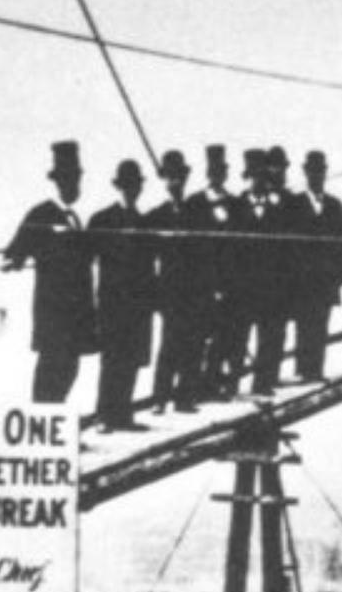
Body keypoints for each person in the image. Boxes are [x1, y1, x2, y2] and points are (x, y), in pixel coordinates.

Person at [4, 141, 96, 403]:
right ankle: (43, 423)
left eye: (77, 179)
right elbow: (14, 253)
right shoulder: (41, 214)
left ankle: (57, 423)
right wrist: (18, 257)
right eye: (69, 180)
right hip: (54, 312)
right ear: (59, 182)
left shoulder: (77, 219)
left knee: (70, 369)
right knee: (50, 371)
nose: (74, 186)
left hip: (78, 311)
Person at [90, 159, 156, 430]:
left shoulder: (144, 222)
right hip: (113, 303)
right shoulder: (102, 220)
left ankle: (124, 414)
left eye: (136, 185)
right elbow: (86, 256)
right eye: (128, 185)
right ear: (119, 187)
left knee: (131, 360)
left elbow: (151, 263)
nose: (133, 190)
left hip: (138, 304)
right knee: (112, 360)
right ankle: (105, 415)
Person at [231, 148, 297, 396]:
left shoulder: (278, 209)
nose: (258, 181)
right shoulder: (236, 207)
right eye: (253, 176)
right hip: (243, 288)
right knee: (237, 339)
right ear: (246, 178)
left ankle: (264, 383)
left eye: (262, 176)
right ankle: (232, 385)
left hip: (272, 287)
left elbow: (286, 251)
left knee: (271, 336)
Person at [290, 149, 342, 381]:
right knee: (303, 323)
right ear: (305, 173)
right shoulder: (295, 204)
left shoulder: (334, 206)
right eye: (312, 171)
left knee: (320, 323)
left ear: (324, 174)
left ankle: (315, 369)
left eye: (320, 171)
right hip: (302, 279)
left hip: (326, 278)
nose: (316, 176)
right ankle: (302, 370)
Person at [146, 150, 201, 413]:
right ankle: (160, 398)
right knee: (169, 344)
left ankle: (185, 398)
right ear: (165, 180)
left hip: (195, 289)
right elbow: (145, 255)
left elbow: (208, 253)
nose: (176, 182)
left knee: (192, 343)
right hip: (169, 290)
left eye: (179, 177)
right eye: (171, 178)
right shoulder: (156, 216)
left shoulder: (197, 211)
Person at [186, 144, 241, 396]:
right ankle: (195, 386)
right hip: (202, 284)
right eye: (213, 171)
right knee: (200, 337)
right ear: (207, 173)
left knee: (225, 336)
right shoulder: (194, 203)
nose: (217, 175)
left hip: (230, 282)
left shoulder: (235, 204)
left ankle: (217, 383)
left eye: (221, 171)